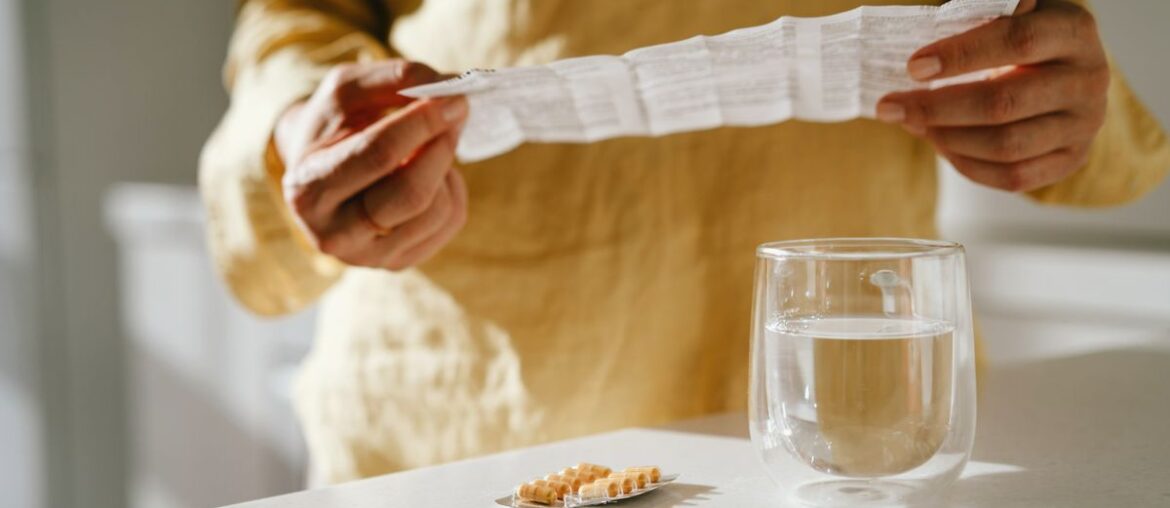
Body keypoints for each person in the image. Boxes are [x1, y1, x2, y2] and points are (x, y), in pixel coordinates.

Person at [200, 0, 1169, 484]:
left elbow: (1079, 108)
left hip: (857, 442)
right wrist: (299, 135)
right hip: (478, 429)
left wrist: (1066, 101)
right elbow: (293, 25)